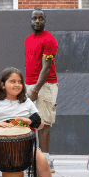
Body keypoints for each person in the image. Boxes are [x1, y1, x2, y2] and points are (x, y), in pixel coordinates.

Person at [24, 9, 58, 168]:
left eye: (40, 18)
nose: (37, 21)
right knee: (30, 122)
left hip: (45, 85)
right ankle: (32, 157)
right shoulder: (28, 40)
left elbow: (46, 68)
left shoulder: (49, 40)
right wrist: (28, 88)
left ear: (45, 20)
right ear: (30, 21)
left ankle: (45, 160)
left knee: (44, 123)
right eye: (34, 18)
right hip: (29, 85)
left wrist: (35, 90)